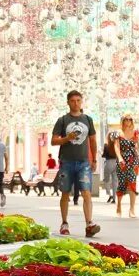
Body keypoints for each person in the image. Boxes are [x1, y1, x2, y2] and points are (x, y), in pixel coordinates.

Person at [51, 90, 100, 237]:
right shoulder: (63, 120)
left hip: (84, 162)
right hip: (66, 162)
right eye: (73, 101)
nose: (76, 103)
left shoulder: (88, 120)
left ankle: (89, 224)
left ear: (81, 102)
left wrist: (94, 159)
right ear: (68, 102)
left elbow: (92, 140)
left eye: (78, 100)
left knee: (86, 192)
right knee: (65, 193)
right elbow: (53, 141)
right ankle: (64, 223)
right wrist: (67, 138)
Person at [115, 115, 139, 218]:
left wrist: (137, 148)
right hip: (122, 162)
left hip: (133, 161)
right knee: (122, 184)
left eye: (130, 119)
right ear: (122, 121)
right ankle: (119, 205)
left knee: (132, 184)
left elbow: (137, 145)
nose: (128, 121)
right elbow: (116, 146)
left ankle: (132, 209)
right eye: (126, 119)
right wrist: (120, 158)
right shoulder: (118, 132)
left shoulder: (136, 132)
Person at [101, 132, 119, 203]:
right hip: (116, 163)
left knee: (106, 180)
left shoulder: (106, 145)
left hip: (108, 163)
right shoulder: (117, 145)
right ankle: (114, 198)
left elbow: (104, 155)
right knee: (115, 181)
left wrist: (101, 152)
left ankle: (109, 194)